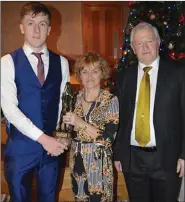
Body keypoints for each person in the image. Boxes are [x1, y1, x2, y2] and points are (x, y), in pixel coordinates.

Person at [1, 2, 70, 202]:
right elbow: (10, 110)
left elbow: (63, 106)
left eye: (42, 24)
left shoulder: (62, 63)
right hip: (20, 151)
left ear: (49, 29)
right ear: (22, 27)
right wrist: (44, 139)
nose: (36, 29)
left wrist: (61, 136)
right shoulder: (7, 62)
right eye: (30, 23)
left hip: (51, 152)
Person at [113, 22, 185, 202]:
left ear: (158, 42)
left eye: (149, 41)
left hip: (167, 159)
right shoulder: (124, 76)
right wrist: (118, 153)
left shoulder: (178, 73)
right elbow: (119, 119)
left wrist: (184, 154)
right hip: (133, 159)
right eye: (139, 43)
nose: (144, 47)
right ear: (133, 48)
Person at [62, 52, 119, 202]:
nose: (89, 76)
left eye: (95, 71)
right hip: (77, 162)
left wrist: (80, 122)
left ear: (102, 73)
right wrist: (63, 141)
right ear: (79, 74)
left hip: (99, 164)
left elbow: (107, 139)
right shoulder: (75, 98)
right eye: (85, 71)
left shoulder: (110, 100)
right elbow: (70, 132)